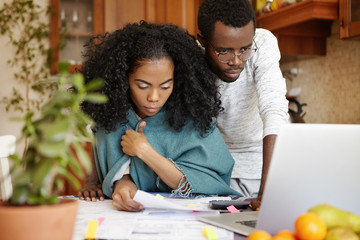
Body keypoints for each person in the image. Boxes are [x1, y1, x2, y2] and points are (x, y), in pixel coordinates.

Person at [79, 21, 241, 211]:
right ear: (123, 80)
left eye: (165, 86)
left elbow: (207, 184)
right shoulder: (110, 117)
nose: (154, 97)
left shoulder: (193, 120)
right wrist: (122, 184)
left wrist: (144, 150)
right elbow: (110, 161)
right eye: (142, 86)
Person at [197, 0, 289, 210]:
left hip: (260, 174)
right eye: (224, 51)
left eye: (245, 49)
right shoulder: (190, 56)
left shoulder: (263, 43)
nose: (236, 60)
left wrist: (268, 190)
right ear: (202, 40)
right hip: (211, 174)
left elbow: (273, 109)